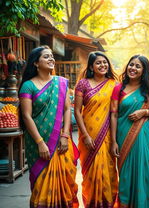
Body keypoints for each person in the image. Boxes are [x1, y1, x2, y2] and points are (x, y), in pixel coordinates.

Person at [19, 46, 79, 208]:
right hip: (37, 142)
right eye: (46, 57)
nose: (51, 59)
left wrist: (65, 135)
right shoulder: (28, 86)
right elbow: (26, 116)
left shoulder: (61, 83)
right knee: (41, 186)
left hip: (60, 140)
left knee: (65, 181)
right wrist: (40, 142)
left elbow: (68, 109)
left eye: (52, 56)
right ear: (36, 63)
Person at [110, 55, 149, 208]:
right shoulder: (119, 88)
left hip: (148, 138)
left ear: (144, 71)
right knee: (126, 177)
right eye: (131, 65)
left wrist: (144, 113)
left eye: (138, 66)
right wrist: (113, 141)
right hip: (123, 137)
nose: (133, 68)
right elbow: (113, 114)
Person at [74, 51, 118, 208]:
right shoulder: (83, 84)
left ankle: (108, 204)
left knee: (109, 170)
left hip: (108, 134)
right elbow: (77, 111)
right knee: (91, 173)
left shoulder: (114, 83)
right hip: (89, 134)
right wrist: (85, 135)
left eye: (105, 62)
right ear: (91, 66)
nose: (103, 65)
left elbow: (117, 111)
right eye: (98, 63)